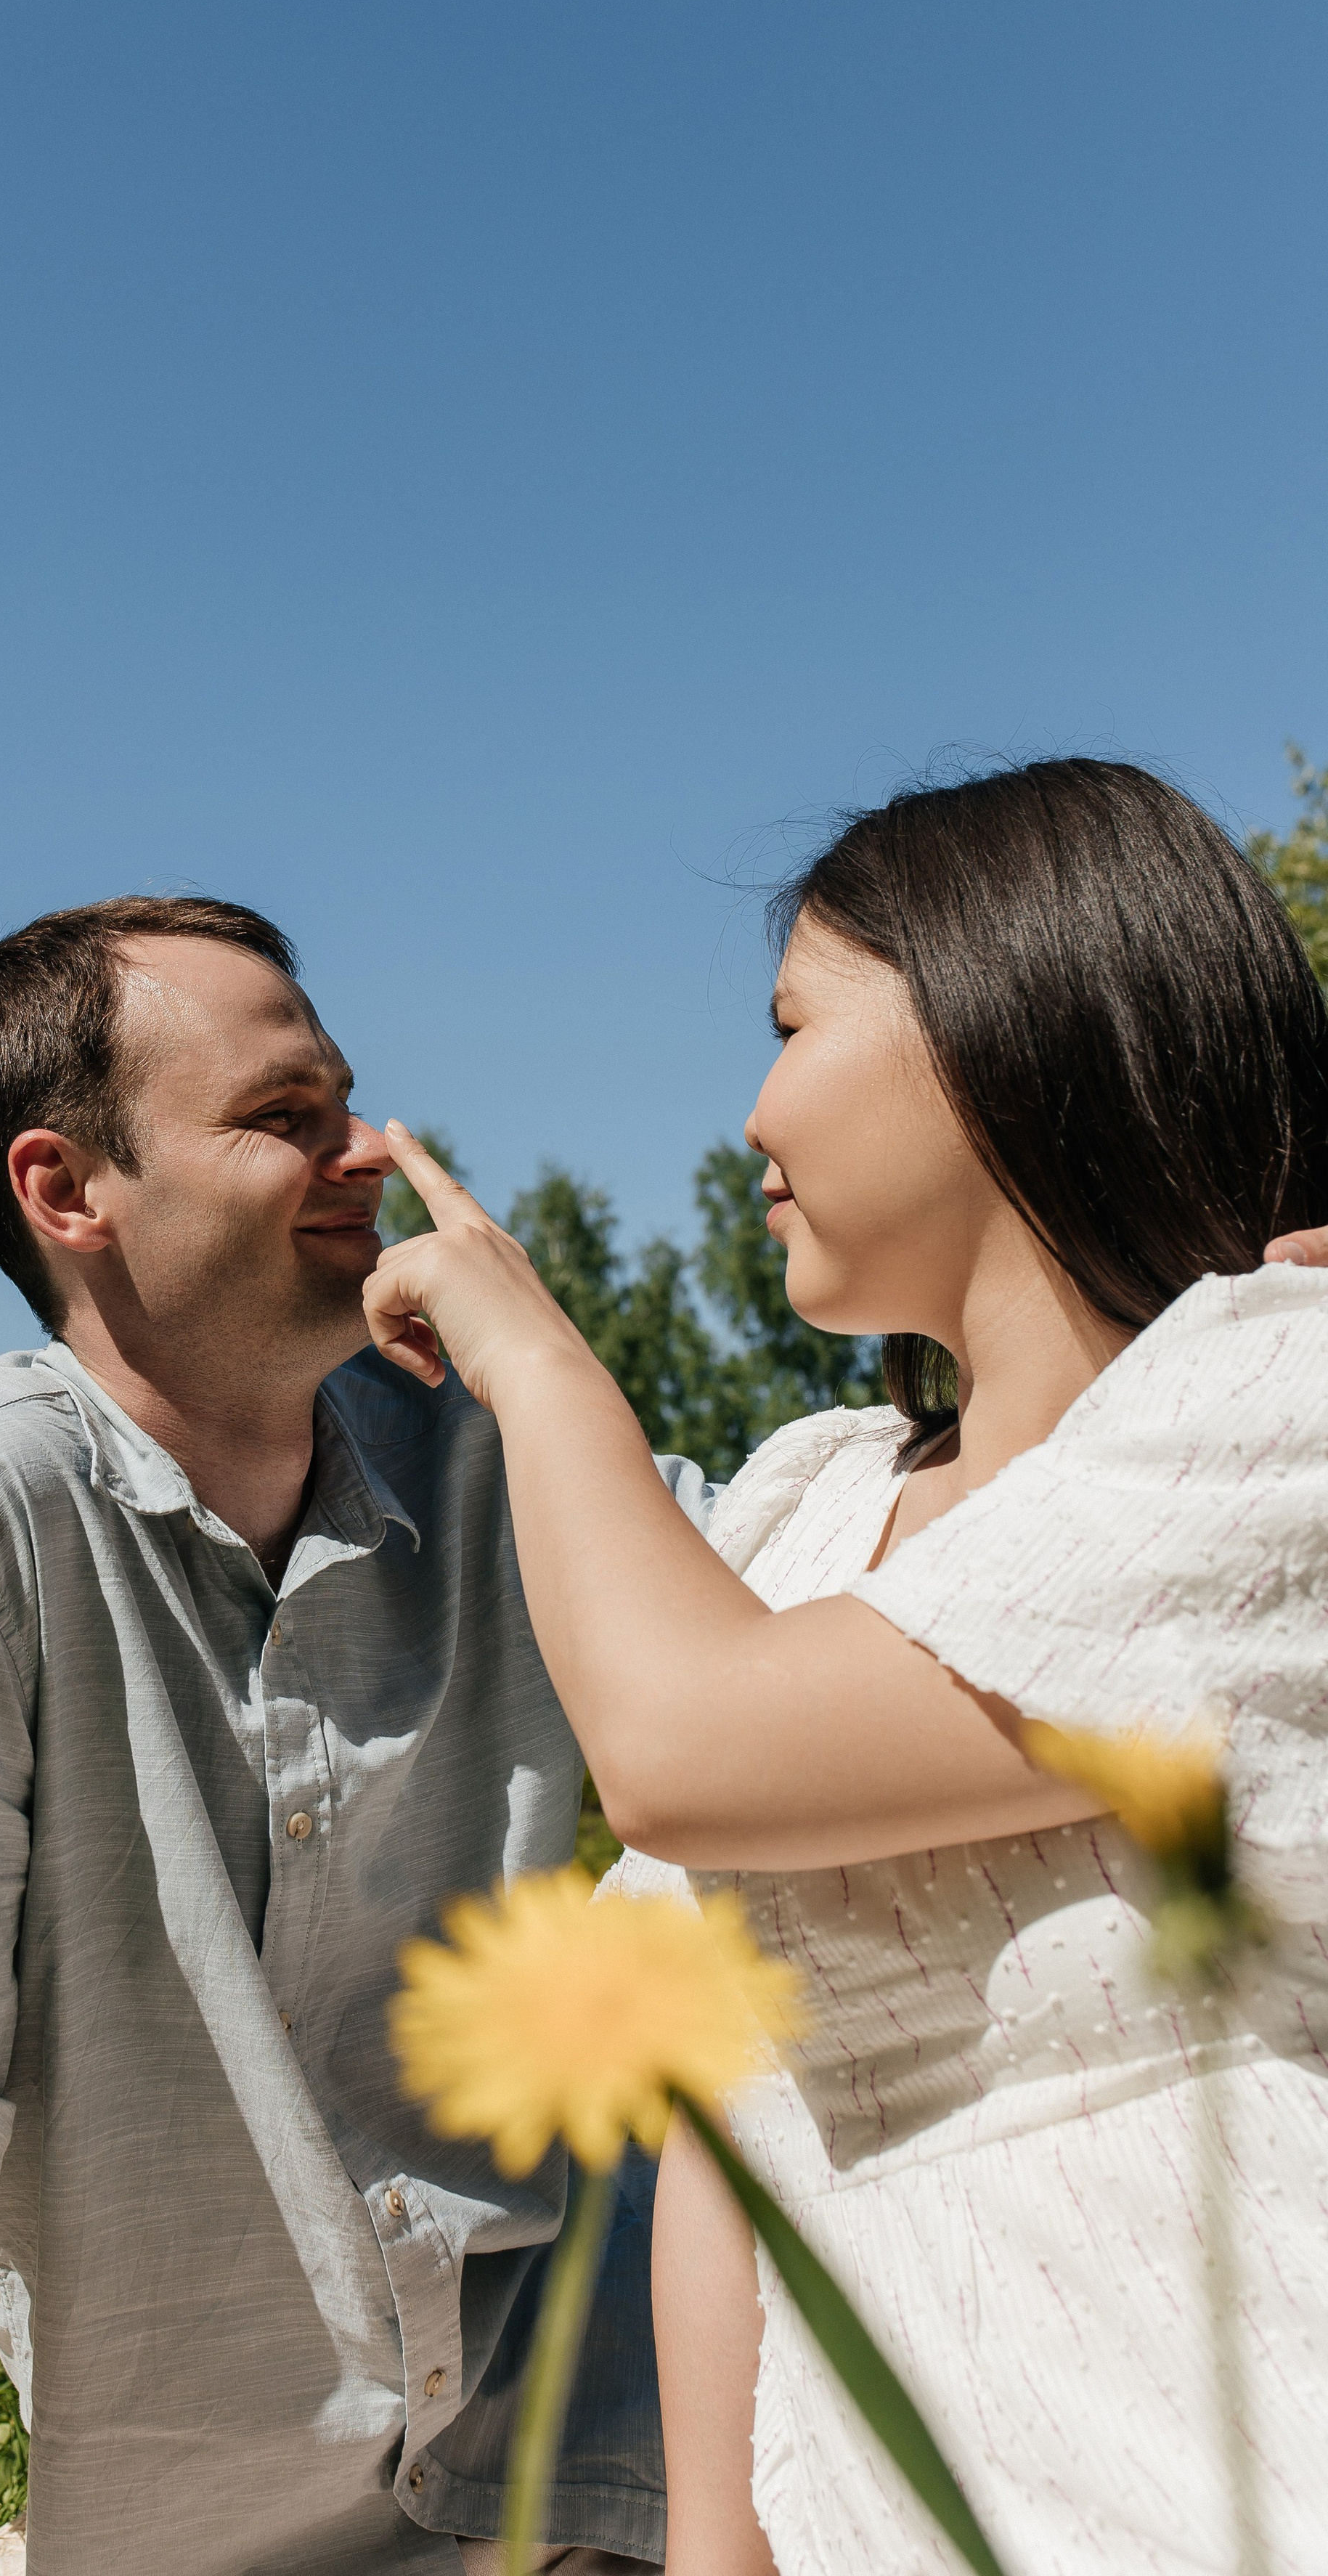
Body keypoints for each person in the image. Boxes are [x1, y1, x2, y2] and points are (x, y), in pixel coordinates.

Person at [362, 759, 1328, 2576]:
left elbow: (680, 1748)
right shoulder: (807, 1509)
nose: (746, 1115)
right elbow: (734, 2108)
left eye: (792, 1024)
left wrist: (535, 1360)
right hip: (884, 2504)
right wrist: (721, 2546)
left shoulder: (1281, 1391)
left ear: (992, 1018)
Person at [0, 896, 677, 2576]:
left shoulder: (490, 1453)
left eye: (344, 1101)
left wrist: (1197, 1337)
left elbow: (840, 1579)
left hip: (598, 2511)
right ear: (69, 1191)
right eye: (286, 1119)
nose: (365, 1151)